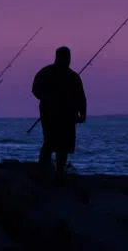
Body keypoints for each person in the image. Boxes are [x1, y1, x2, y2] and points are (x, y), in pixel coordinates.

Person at [32, 46, 87, 176]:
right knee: (51, 143)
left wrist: (82, 113)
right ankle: (47, 170)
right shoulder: (50, 73)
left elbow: (81, 97)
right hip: (51, 115)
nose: (67, 60)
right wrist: (49, 99)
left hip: (66, 116)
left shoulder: (72, 76)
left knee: (62, 146)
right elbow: (35, 90)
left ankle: (57, 171)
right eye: (66, 57)